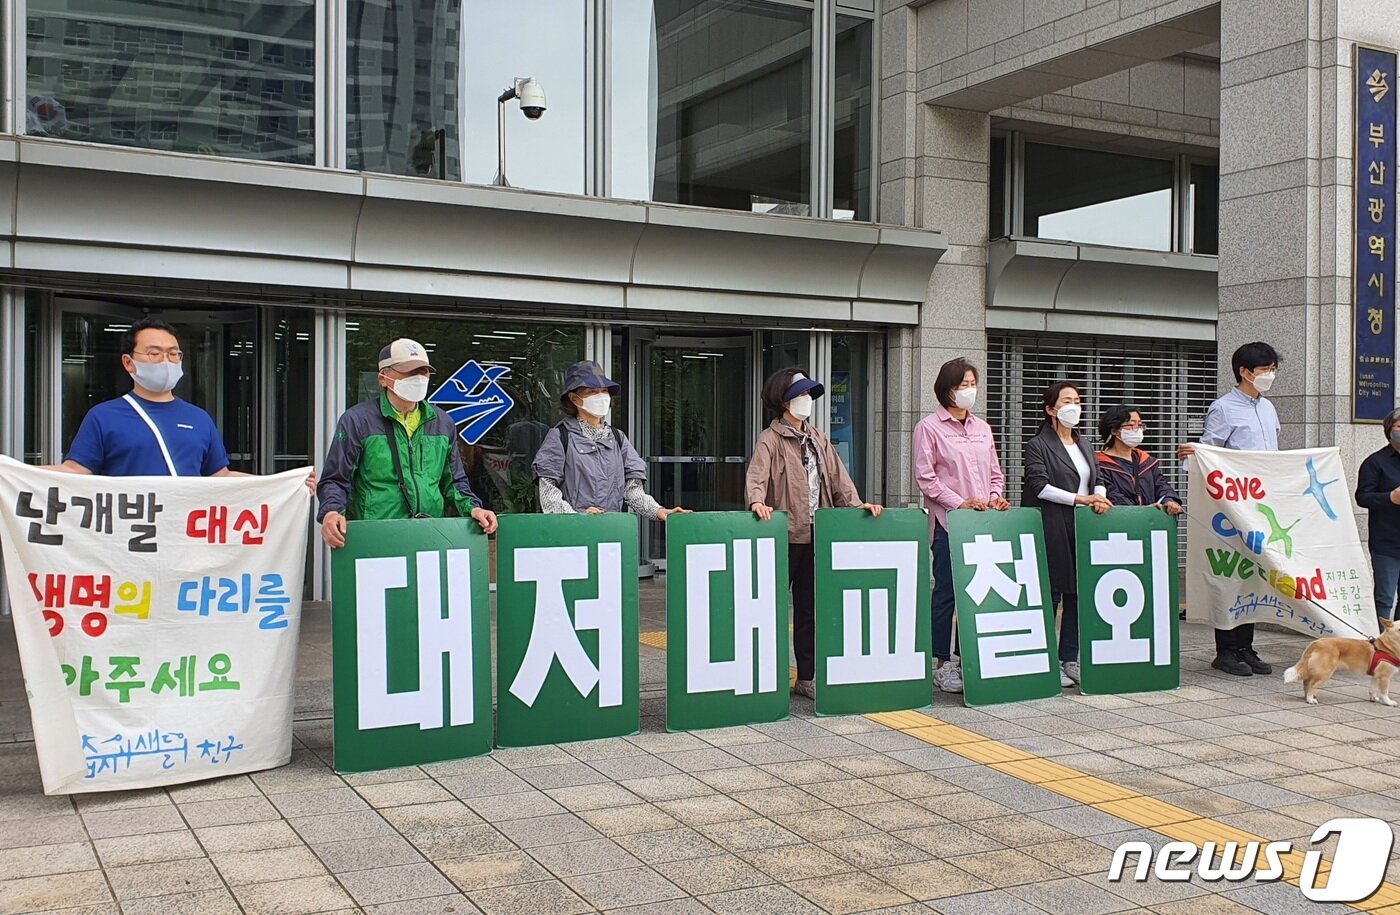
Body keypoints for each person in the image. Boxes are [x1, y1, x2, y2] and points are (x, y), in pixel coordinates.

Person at [46, 318, 314, 492]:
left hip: (185, 542)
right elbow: (74, 472)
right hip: (129, 542)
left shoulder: (199, 418)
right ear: (128, 362)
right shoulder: (103, 417)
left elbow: (220, 476)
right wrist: (21, 474)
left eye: (173, 354)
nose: (166, 360)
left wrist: (286, 484)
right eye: (154, 353)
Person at [747, 367, 882, 700]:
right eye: (800, 394)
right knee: (769, 608)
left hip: (815, 534)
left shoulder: (818, 438)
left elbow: (839, 480)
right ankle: (762, 675)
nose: (806, 400)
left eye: (809, 394)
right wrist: (756, 501)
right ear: (784, 400)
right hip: (782, 535)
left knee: (809, 609)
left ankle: (806, 677)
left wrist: (857, 506)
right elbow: (756, 477)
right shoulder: (770, 439)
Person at [318, 338, 497, 548]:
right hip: (376, 536)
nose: (418, 378)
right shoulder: (357, 421)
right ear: (383, 378)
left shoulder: (442, 423)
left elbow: (455, 481)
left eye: (423, 372)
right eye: (409, 372)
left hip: (430, 535)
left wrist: (474, 508)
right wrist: (331, 512)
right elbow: (336, 479)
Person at [1178, 341, 1280, 676]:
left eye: (1272, 369)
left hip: (1260, 506)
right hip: (1231, 507)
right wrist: (1195, 458)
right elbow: (1210, 452)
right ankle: (1226, 649)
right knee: (1229, 574)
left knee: (1253, 575)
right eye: (1265, 370)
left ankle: (1246, 646)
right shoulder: (1223, 408)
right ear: (1245, 372)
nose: (1270, 375)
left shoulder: (1268, 408)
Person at [913, 358, 1010, 694]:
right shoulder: (929, 427)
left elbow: (995, 472)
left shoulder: (983, 428)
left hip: (983, 523)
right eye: (962, 385)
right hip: (948, 523)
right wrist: (959, 502)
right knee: (947, 592)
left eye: (972, 384)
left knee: (978, 592)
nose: (969, 390)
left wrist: (995, 496)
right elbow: (926, 477)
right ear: (947, 389)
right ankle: (941, 663)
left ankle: (968, 657)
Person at [1022, 381, 1111, 688]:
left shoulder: (1083, 443)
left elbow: (1098, 477)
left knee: (1078, 593)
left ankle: (1069, 658)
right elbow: (1040, 486)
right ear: (1051, 409)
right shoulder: (1038, 445)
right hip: (1052, 525)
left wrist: (1099, 497)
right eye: (1067, 401)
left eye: (1077, 401)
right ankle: (1045, 658)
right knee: (1051, 593)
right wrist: (1081, 499)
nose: (1074, 406)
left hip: (1083, 526)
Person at [533, 361, 686, 520]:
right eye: (592, 391)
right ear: (575, 399)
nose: (601, 396)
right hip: (574, 531)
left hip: (612, 528)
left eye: (604, 391)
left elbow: (632, 489)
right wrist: (576, 518)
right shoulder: (559, 436)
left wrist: (657, 510)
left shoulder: (618, 438)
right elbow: (548, 492)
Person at [1355, 407, 1400, 624]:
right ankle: (1379, 640)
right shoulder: (1375, 462)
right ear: (1390, 430)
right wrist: (1389, 497)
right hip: (1386, 543)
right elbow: (1362, 497)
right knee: (1384, 597)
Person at [1096, 404, 1183, 514]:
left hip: (1151, 520)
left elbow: (1162, 486)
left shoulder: (1147, 462)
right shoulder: (1100, 464)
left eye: (1140, 425)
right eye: (1131, 425)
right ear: (1114, 430)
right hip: (1118, 519)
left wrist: (1169, 501)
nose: (1137, 429)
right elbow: (1111, 495)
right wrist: (1142, 511)